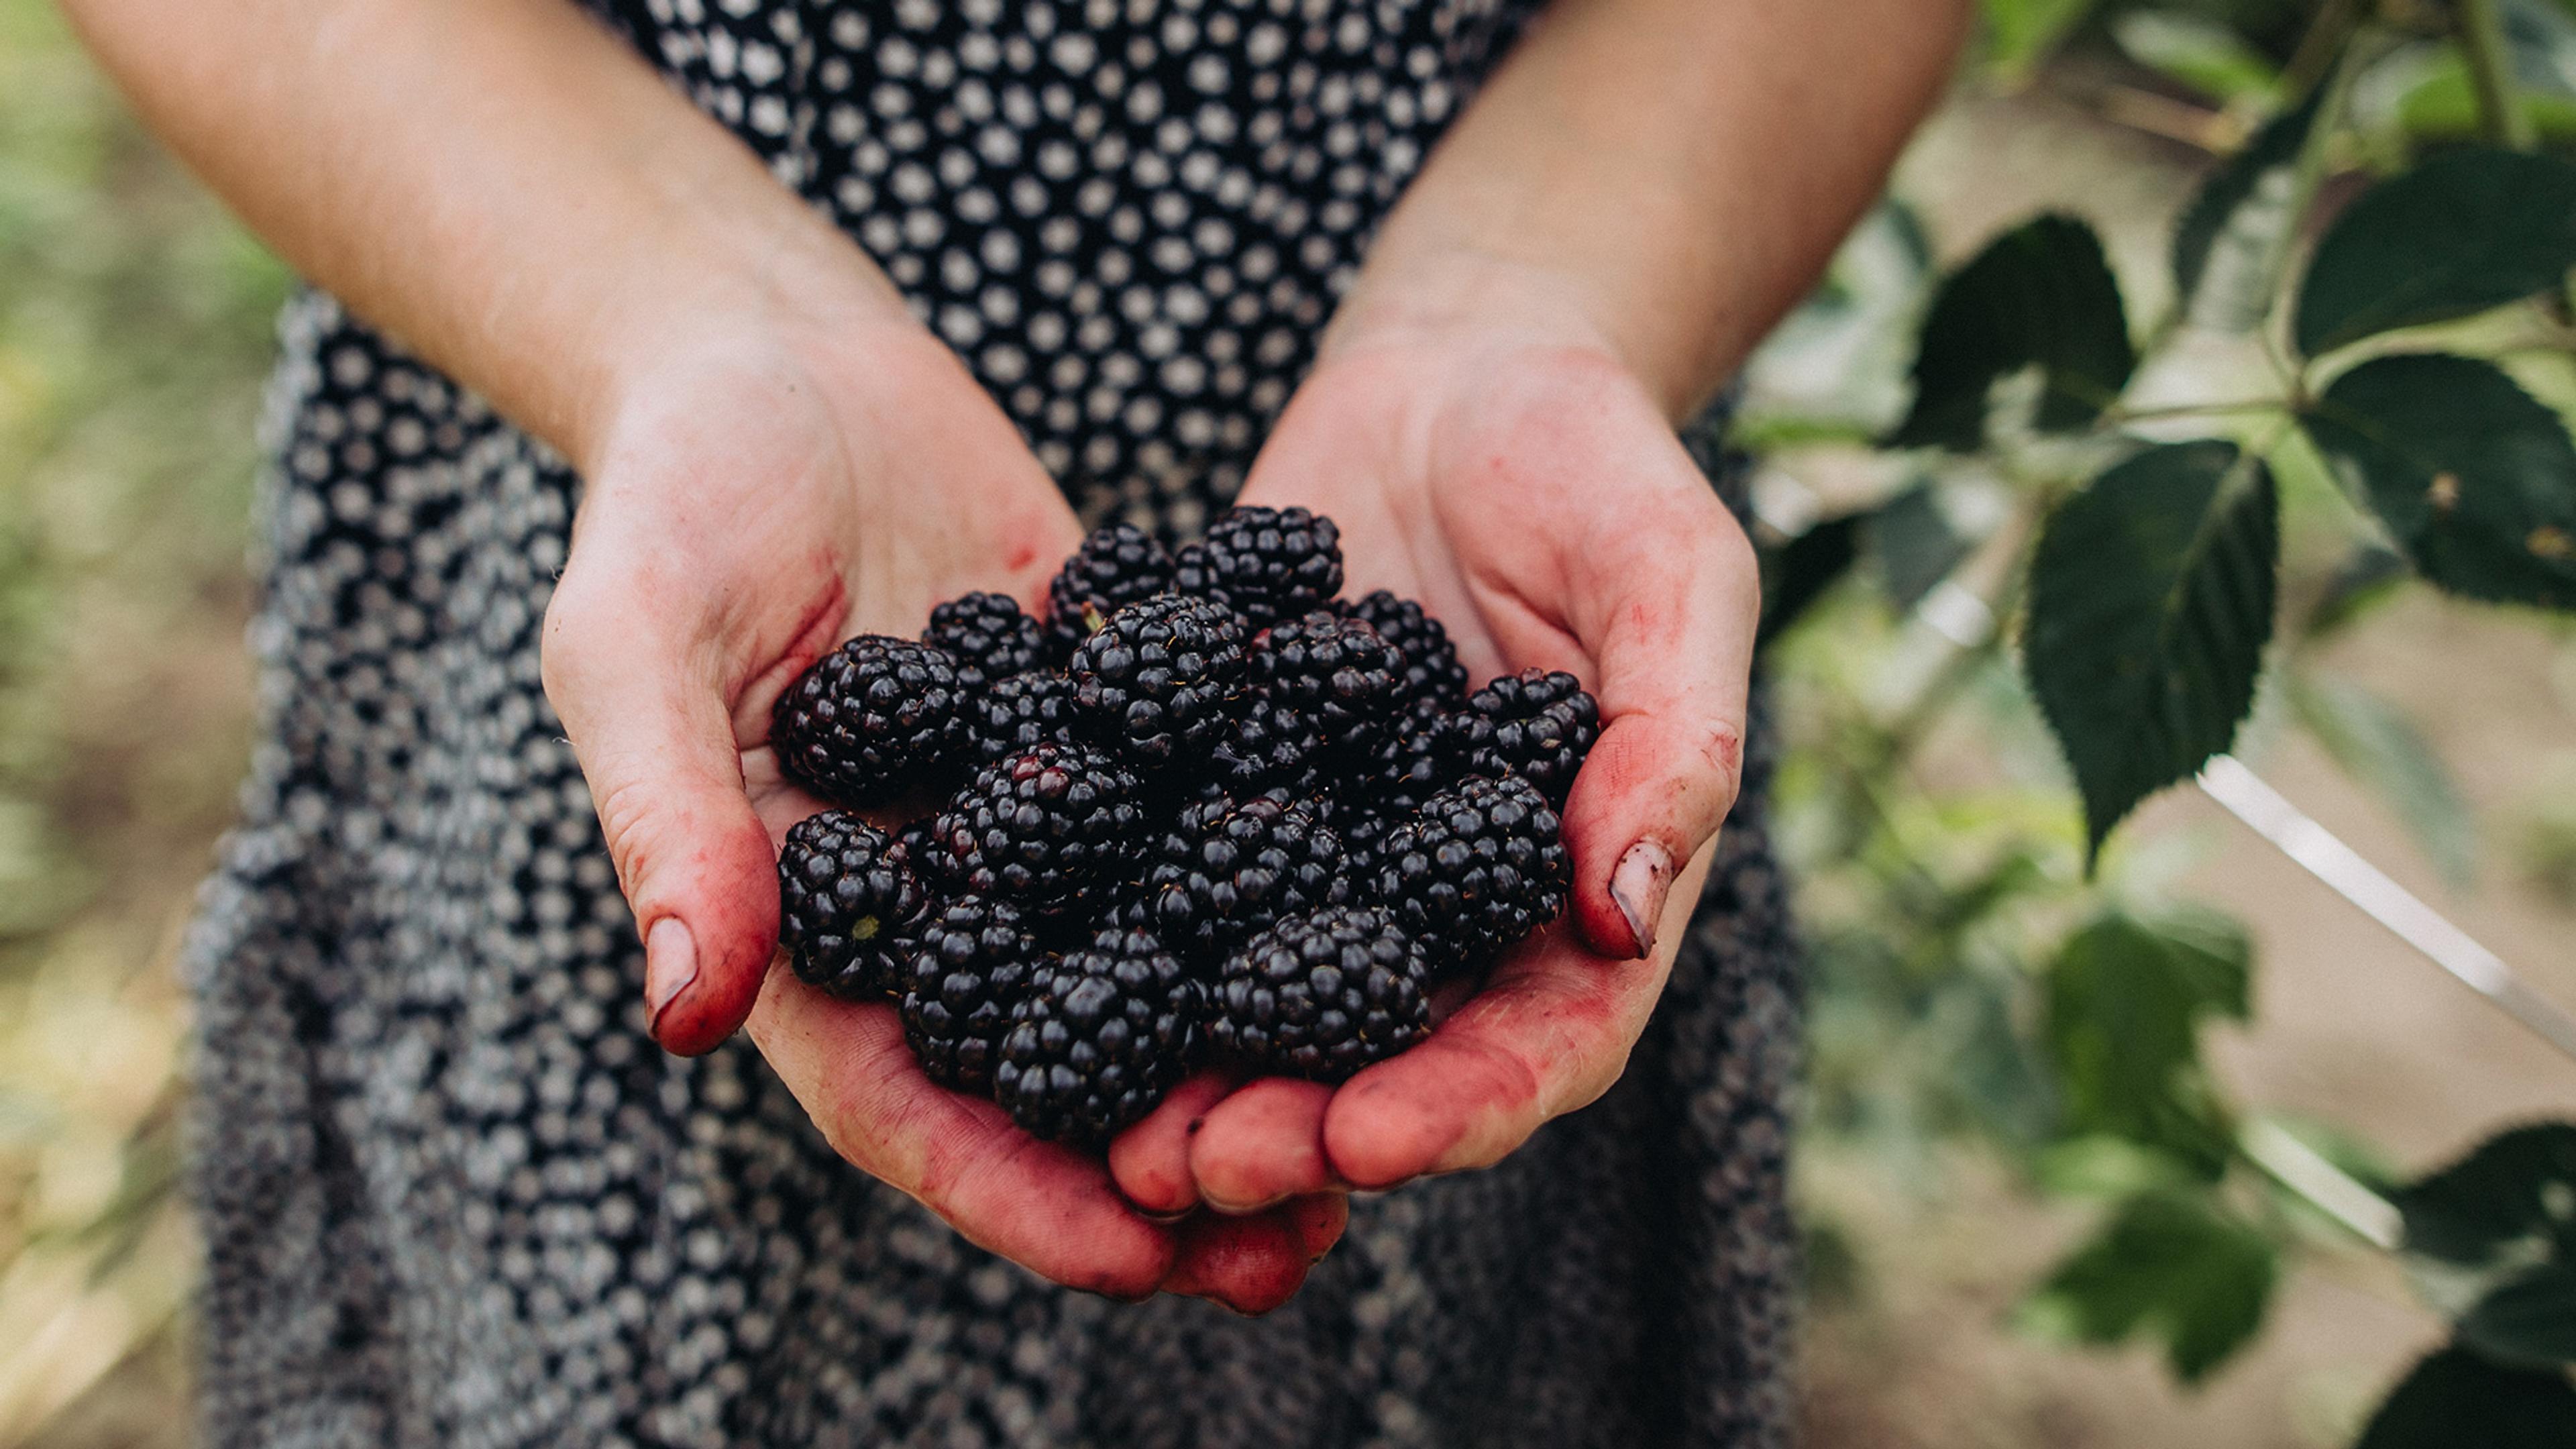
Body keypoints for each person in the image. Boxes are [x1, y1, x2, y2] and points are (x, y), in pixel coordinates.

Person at [66, 0, 1965, 1442]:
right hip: (589, 340)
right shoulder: (1030, 790)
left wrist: (1543, 309)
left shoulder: (1308, 749)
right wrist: (682, 331)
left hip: (1512, 421)